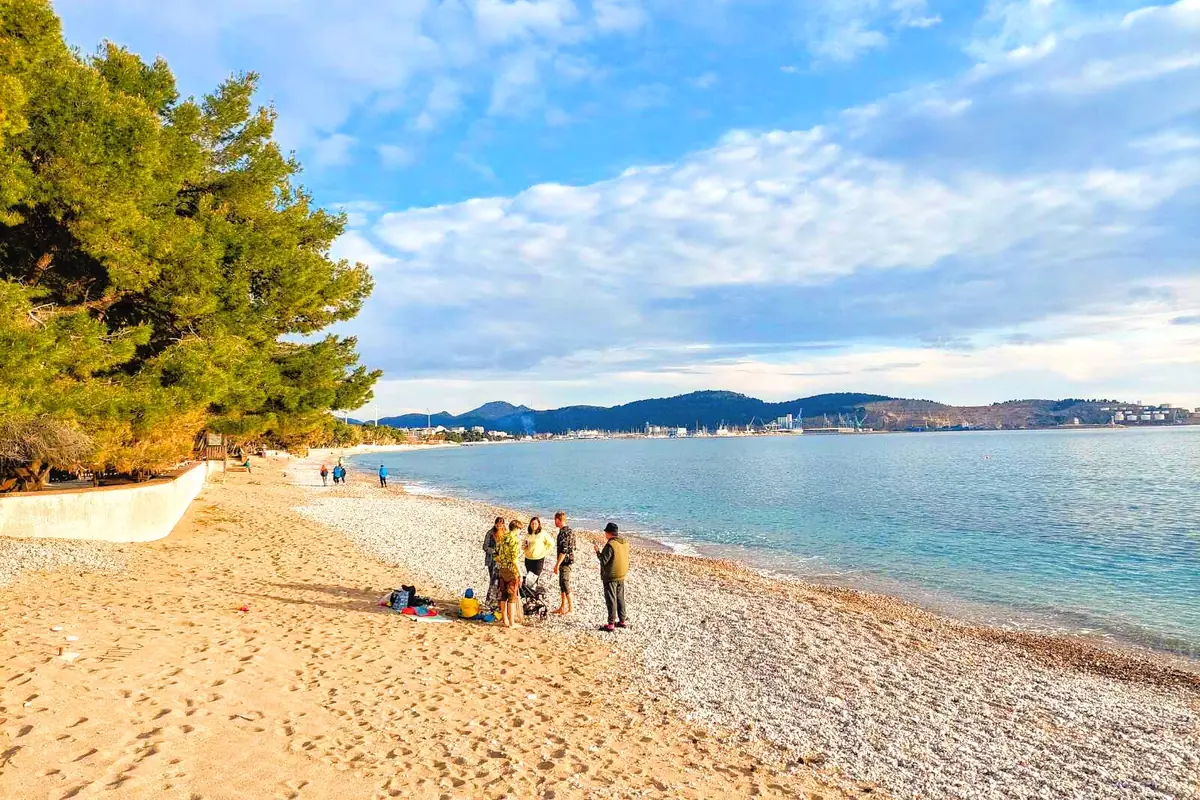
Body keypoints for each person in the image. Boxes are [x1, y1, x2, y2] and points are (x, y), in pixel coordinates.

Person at [595, 522, 630, 632]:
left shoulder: (610, 545)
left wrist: (597, 552)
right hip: (622, 574)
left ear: (609, 533)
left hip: (611, 576)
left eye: (606, 532)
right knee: (620, 598)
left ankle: (611, 624)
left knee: (611, 599)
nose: (605, 534)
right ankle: (622, 620)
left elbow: (603, 560)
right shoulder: (624, 542)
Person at [494, 520, 524, 628]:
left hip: (502, 569)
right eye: (520, 530)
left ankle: (505, 620)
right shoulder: (514, 540)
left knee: (503, 595)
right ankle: (511, 623)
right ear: (516, 528)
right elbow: (515, 560)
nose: (520, 532)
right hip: (511, 571)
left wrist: (502, 561)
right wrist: (520, 573)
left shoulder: (503, 537)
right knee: (512, 597)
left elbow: (495, 553)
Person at [551, 511, 575, 616]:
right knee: (561, 584)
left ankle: (571, 609)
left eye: (555, 520)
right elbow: (573, 547)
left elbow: (564, 551)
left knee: (565, 584)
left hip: (565, 562)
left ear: (558, 520)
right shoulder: (570, 531)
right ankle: (562, 607)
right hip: (568, 561)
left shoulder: (563, 533)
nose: (554, 522)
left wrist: (557, 564)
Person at [483, 517, 504, 609]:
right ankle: (489, 600)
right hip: (492, 560)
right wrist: (495, 551)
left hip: (502, 561)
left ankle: (498, 601)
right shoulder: (490, 533)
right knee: (493, 581)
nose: (499, 526)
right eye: (498, 524)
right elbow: (485, 547)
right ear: (495, 524)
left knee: (500, 581)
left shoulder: (505, 533)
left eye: (501, 524)